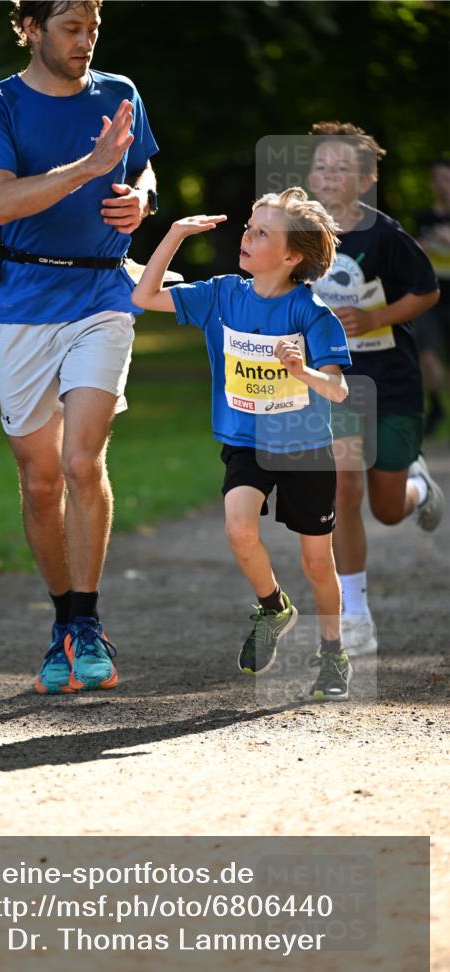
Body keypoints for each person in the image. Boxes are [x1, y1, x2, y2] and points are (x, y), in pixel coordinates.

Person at [0, 0, 158, 694]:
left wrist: (140, 196)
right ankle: (60, 619)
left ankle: (86, 621)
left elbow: (144, 171)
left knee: (80, 460)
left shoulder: (120, 91)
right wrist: (89, 166)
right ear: (32, 28)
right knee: (40, 479)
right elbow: (1, 203)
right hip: (24, 302)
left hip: (105, 295)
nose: (86, 41)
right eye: (71, 28)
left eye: (93, 29)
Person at [132, 188, 355, 700]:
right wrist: (174, 235)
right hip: (246, 441)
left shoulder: (312, 313)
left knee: (317, 563)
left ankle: (331, 653)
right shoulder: (222, 294)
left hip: (303, 448)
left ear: (292, 255)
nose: (246, 238)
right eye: (249, 227)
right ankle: (274, 606)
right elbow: (143, 297)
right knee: (237, 528)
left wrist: (301, 371)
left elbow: (339, 390)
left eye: (261, 233)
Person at [307, 122, 444, 658]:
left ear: (365, 180)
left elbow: (427, 292)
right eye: (321, 166)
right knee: (344, 487)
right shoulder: (299, 230)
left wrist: (375, 317)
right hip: (337, 383)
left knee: (387, 509)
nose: (329, 175)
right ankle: (355, 615)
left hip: (392, 382)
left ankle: (418, 488)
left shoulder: (385, 235)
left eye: (342, 168)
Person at [414, 159, 450, 436]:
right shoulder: (424, 216)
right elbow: (413, 252)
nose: (442, 185)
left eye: (446, 179)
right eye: (437, 179)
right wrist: (422, 246)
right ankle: (436, 405)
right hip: (431, 292)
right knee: (427, 355)